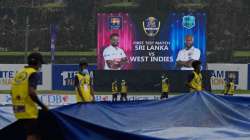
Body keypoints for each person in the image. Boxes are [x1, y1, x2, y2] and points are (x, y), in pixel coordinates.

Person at [11, 52, 48, 140]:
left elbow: (11, 92)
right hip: (28, 110)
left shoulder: (19, 74)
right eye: (40, 64)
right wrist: (43, 106)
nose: (40, 67)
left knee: (29, 132)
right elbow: (31, 92)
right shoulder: (33, 73)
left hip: (17, 108)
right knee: (33, 134)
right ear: (38, 63)